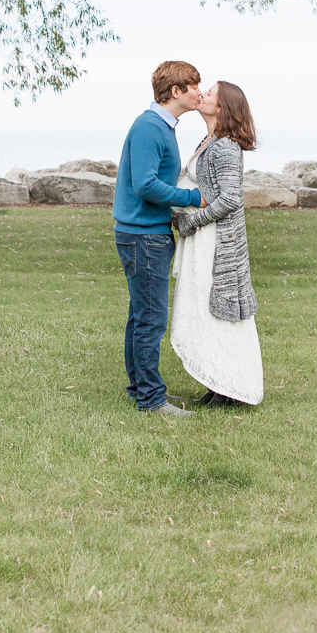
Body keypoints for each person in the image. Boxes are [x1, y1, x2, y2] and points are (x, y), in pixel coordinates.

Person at [112, 60, 207, 416]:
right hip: (142, 237)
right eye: (194, 86)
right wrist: (192, 199)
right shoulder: (151, 127)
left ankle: (140, 388)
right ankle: (151, 400)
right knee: (151, 319)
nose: (199, 92)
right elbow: (145, 184)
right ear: (176, 92)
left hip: (144, 234)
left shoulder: (161, 126)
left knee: (140, 316)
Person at [171, 81, 263, 407]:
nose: (202, 95)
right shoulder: (209, 140)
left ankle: (231, 389)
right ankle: (215, 383)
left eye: (210, 93)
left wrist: (191, 221)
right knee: (204, 310)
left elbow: (230, 200)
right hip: (203, 238)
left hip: (216, 241)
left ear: (222, 107)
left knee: (218, 312)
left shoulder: (225, 147)